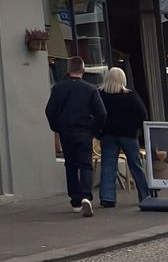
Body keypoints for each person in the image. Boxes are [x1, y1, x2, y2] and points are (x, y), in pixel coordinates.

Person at [46, 56, 107, 216]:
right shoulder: (90, 89)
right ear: (83, 70)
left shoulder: (58, 88)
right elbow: (101, 113)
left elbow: (50, 111)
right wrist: (94, 129)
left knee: (70, 165)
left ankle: (75, 200)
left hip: (66, 131)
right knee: (85, 164)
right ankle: (86, 196)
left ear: (68, 69)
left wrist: (57, 127)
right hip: (84, 131)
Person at [100, 63, 153, 208]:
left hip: (108, 134)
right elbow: (142, 114)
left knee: (108, 165)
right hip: (128, 135)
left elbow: (96, 114)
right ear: (123, 79)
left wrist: (99, 130)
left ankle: (107, 197)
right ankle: (144, 195)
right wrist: (134, 127)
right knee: (135, 165)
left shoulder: (101, 95)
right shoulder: (130, 95)